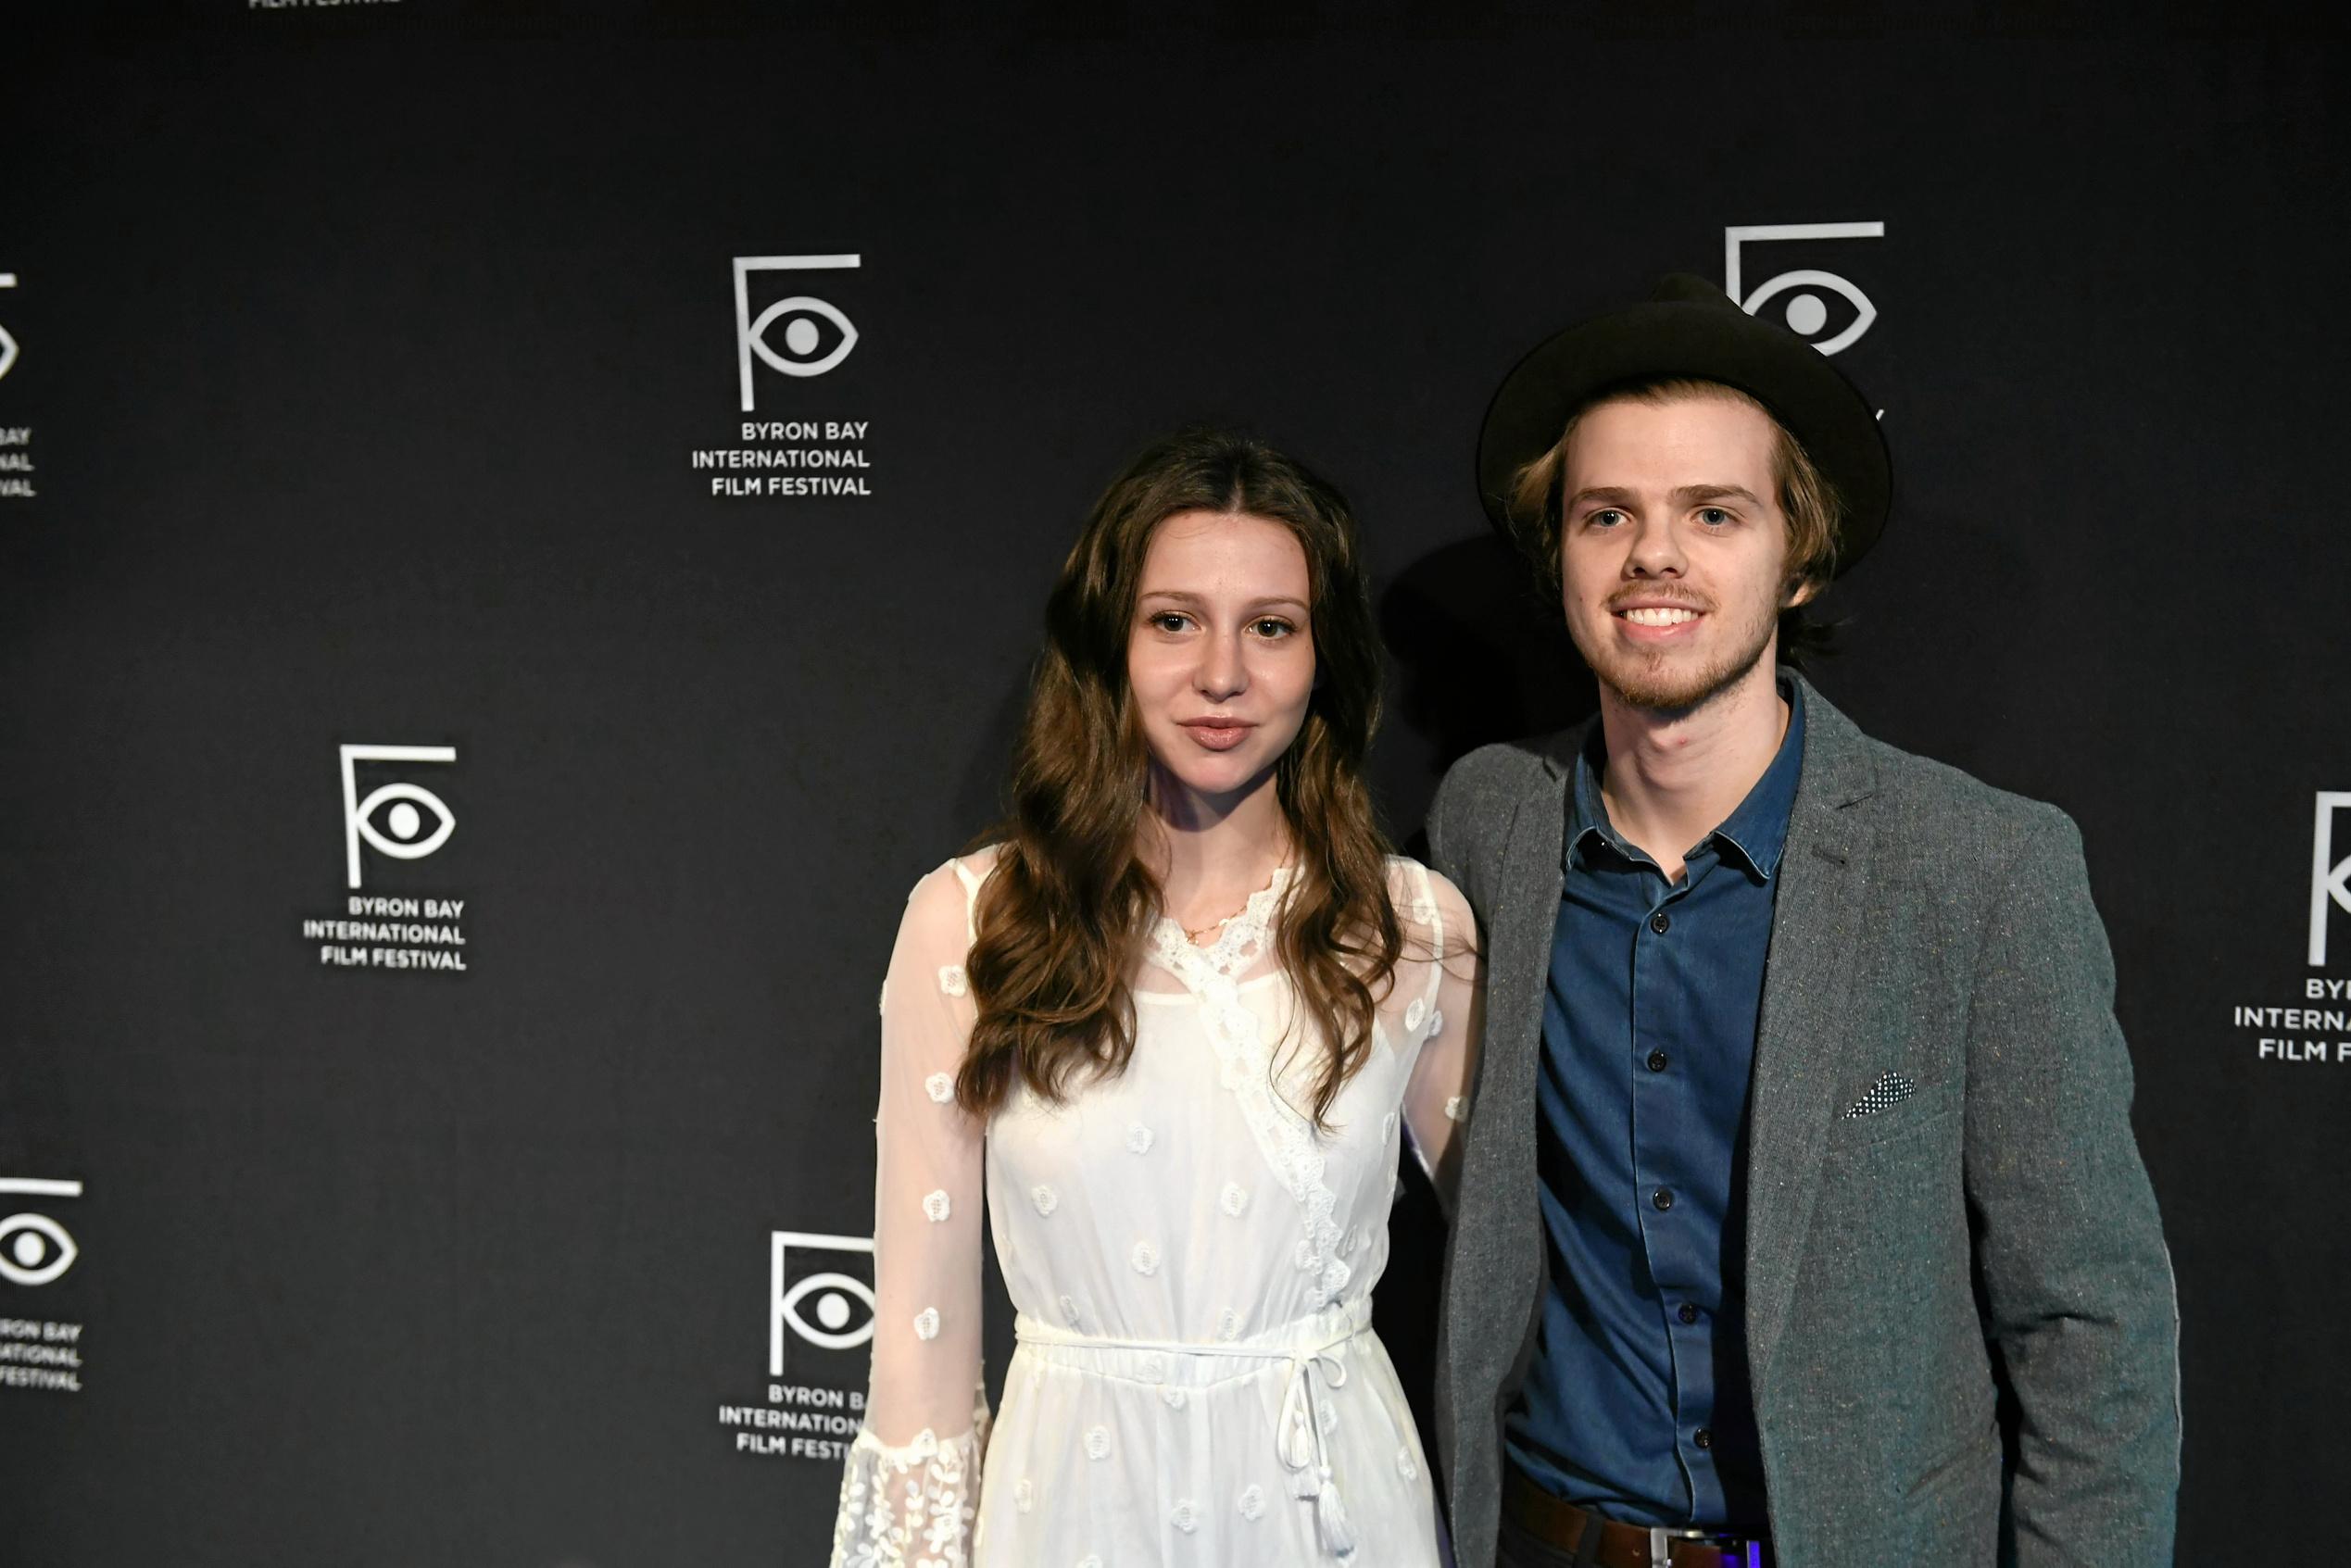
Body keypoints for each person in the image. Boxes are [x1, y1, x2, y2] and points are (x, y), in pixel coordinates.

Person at [1426, 276, 2180, 1568]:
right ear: (1559, 552)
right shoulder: (1489, 821)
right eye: (1607, 514)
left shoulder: (1981, 869)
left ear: (1797, 557)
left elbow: (2089, 1327)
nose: (1652, 556)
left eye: (1713, 514)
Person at [825, 428, 1482, 1568]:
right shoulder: (972, 923)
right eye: (1173, 620)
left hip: (1335, 1517)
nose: (1221, 674)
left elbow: (1517, 1279)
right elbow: (920, 1365)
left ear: (1324, 657)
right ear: (1109, 643)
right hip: (1075, 1514)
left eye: (1270, 627)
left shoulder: (1415, 929)